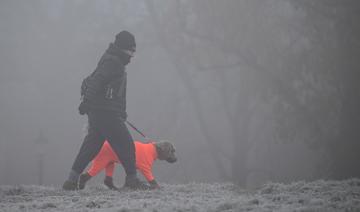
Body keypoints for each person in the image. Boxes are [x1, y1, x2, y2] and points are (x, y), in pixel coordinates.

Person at [62, 31, 148, 190]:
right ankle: (132, 180)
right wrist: (86, 101)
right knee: (126, 144)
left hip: (100, 112)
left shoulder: (112, 59)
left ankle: (71, 181)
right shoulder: (113, 62)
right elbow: (97, 81)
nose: (132, 55)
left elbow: (110, 89)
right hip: (105, 112)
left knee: (90, 147)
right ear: (122, 48)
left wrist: (120, 111)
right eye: (130, 51)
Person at [78, 140, 177, 190]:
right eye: (170, 153)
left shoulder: (149, 150)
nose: (171, 156)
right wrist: (154, 184)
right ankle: (84, 178)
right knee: (97, 168)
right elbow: (145, 169)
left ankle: (108, 181)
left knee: (110, 161)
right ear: (163, 151)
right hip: (106, 148)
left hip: (109, 148)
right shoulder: (148, 154)